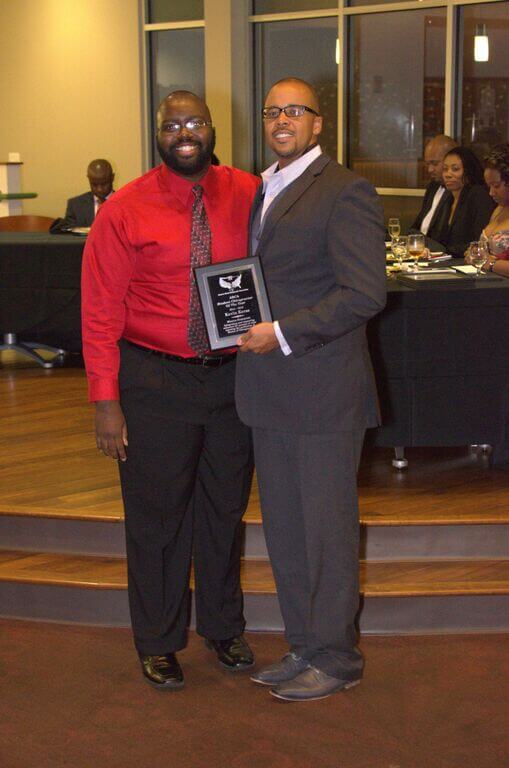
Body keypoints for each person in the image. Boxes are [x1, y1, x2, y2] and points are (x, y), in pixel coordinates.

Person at [81, 92, 260, 690]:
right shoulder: (124, 209)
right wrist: (106, 402)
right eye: (172, 125)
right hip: (154, 380)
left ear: (213, 129)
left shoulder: (250, 193)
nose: (185, 133)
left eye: (195, 123)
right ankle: (157, 640)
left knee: (224, 509)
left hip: (233, 379)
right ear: (158, 134)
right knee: (156, 518)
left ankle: (223, 627)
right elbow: (99, 311)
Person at [235, 77, 386, 702]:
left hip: (323, 393)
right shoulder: (262, 187)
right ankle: (304, 644)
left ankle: (338, 657)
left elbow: (364, 294)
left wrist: (282, 333)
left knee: (325, 533)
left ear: (318, 123)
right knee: (287, 532)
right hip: (269, 393)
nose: (281, 121)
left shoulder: (345, 190)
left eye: (294, 111)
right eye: (272, 111)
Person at [433, 146, 495, 257]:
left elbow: (478, 241)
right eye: (445, 169)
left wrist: (446, 252)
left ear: (468, 171)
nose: (448, 174)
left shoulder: (479, 195)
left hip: (468, 261)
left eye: (455, 169)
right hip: (446, 260)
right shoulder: (448, 197)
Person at [410, 134, 457, 239]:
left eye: (435, 164)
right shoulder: (433, 187)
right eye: (427, 164)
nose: (430, 169)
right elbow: (417, 225)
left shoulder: (457, 192)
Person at [50, 159, 115, 232]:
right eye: (94, 184)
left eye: (104, 184)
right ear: (88, 179)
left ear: (112, 177)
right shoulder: (75, 205)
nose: (99, 189)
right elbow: (68, 236)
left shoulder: (123, 204)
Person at [481, 143, 509, 276]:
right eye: (489, 186)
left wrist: (491, 263)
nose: (491, 193)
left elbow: (488, 261)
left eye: (496, 186)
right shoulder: (499, 209)